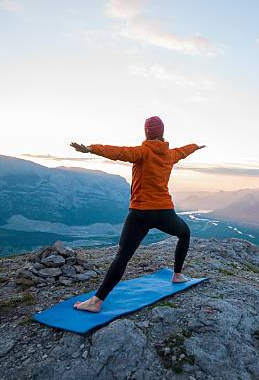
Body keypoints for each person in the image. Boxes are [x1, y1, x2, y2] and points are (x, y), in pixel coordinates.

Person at [69, 116, 205, 312]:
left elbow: (119, 152)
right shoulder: (170, 154)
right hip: (165, 212)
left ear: (146, 133)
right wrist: (196, 146)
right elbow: (184, 151)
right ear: (163, 133)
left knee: (123, 256)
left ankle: (97, 302)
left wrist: (91, 148)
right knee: (184, 234)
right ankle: (177, 275)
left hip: (141, 213)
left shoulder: (142, 152)